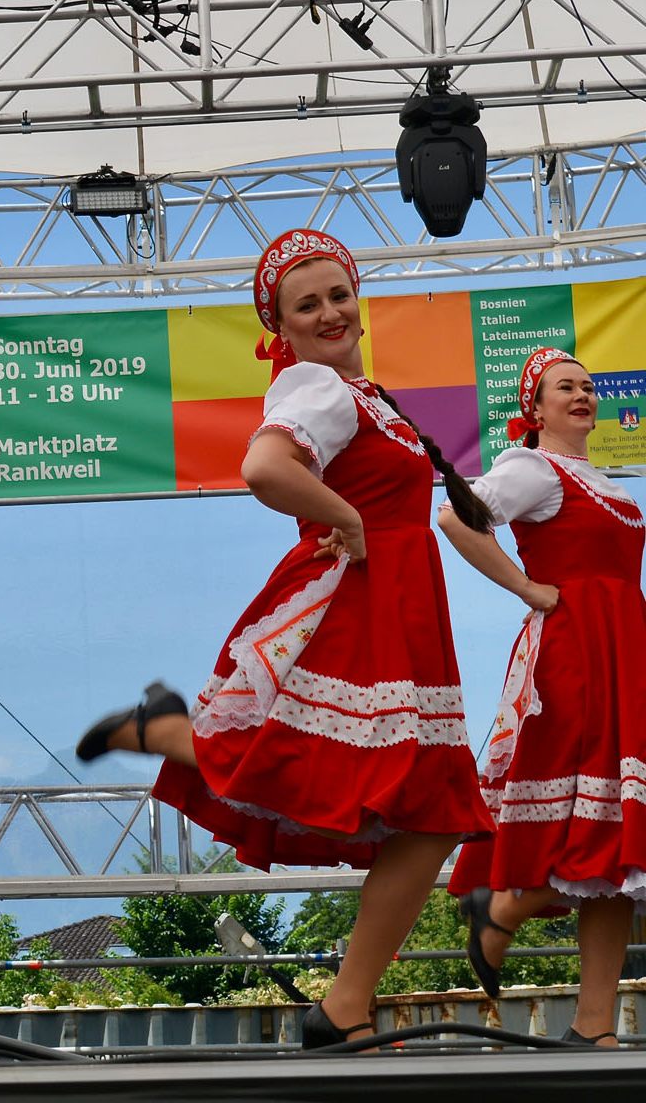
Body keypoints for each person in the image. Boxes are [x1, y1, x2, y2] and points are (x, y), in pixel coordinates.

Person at [76, 229, 495, 1048]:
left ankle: (344, 1006)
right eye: (309, 304)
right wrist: (346, 518)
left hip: (401, 607)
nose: (331, 311)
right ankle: (167, 732)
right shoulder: (315, 388)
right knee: (359, 782)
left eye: (340, 294)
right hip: (353, 600)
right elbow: (266, 467)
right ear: (284, 327)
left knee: (431, 808)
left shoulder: (363, 393)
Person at [440, 347, 645, 1047]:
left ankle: (595, 1025)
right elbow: (458, 517)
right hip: (572, 656)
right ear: (536, 408)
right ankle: (501, 905)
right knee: (575, 812)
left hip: (622, 654)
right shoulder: (532, 468)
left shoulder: (604, 481)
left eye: (589, 386)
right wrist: (526, 588)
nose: (583, 395)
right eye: (566, 388)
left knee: (621, 846)